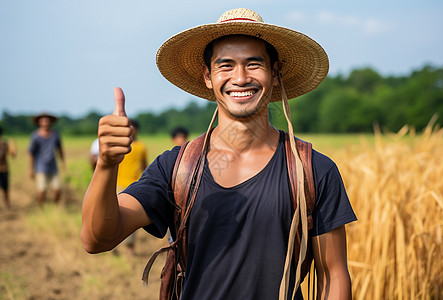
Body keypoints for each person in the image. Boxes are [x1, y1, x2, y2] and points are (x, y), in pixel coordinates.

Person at [81, 8, 357, 300]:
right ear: (208, 76)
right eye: (225, 65)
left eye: (254, 64)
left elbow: (333, 275)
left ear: (274, 74)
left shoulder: (312, 171)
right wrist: (107, 165)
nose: (240, 78)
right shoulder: (175, 168)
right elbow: (96, 239)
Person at [116, 119, 148, 255]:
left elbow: (145, 165)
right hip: (119, 184)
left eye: (133, 127)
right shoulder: (119, 145)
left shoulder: (141, 147)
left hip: (136, 185)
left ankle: (130, 248)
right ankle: (114, 245)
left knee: (131, 218)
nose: (131, 130)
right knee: (115, 216)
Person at [29, 113, 65, 207]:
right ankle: (41, 208)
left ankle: (55, 208)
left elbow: (60, 149)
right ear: (39, 122)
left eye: (47, 120)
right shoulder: (35, 136)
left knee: (57, 189)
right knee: (42, 190)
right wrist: (31, 169)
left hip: (53, 167)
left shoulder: (55, 135)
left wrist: (63, 162)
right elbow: (31, 154)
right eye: (43, 120)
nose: (46, 122)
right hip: (41, 167)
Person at [0, 126, 16, 209]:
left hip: (4, 169)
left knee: (5, 188)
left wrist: (13, 145)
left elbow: (13, 155)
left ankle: (7, 204)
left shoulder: (5, 144)